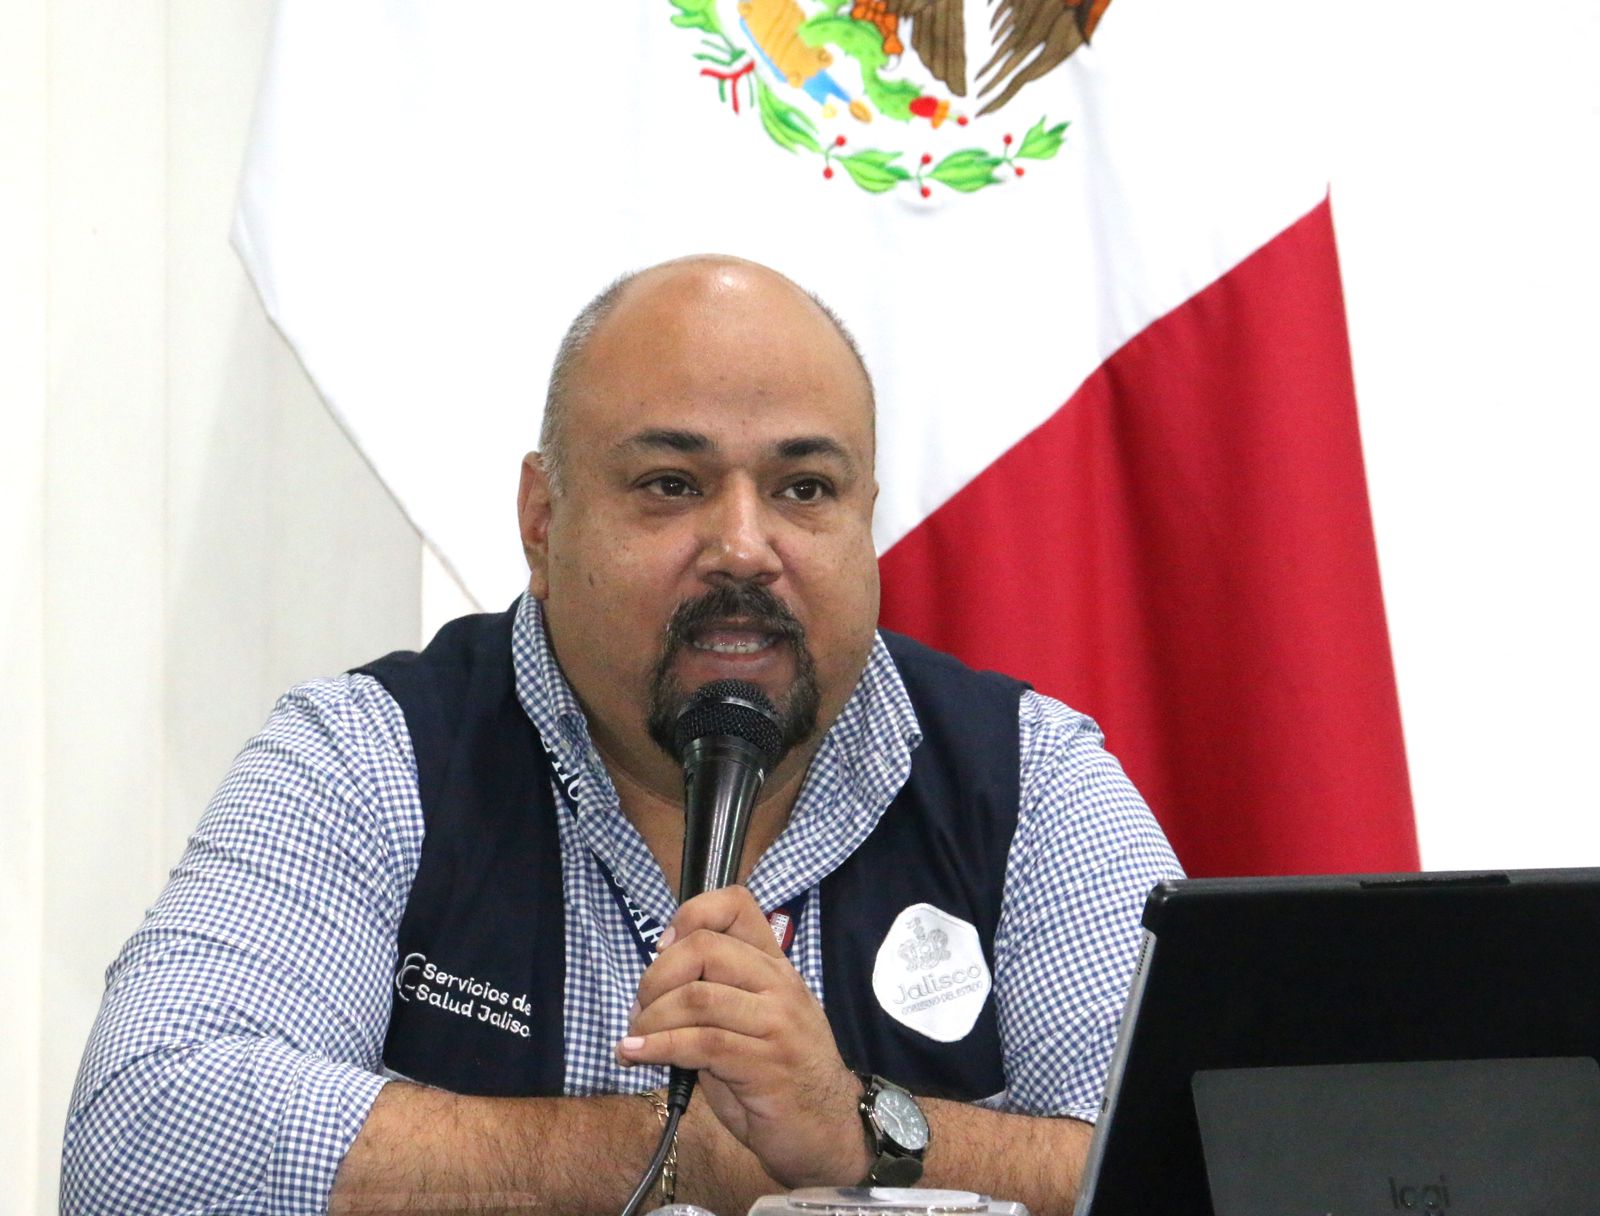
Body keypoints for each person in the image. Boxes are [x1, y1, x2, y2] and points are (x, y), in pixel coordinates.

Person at [63, 256, 1181, 1215]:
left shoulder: (1028, 779)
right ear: (542, 524)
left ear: (865, 518)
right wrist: (674, 1153)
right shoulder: (369, 755)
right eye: (671, 484)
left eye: (803, 487)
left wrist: (856, 1140)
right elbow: (144, 1140)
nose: (743, 546)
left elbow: (1212, 1161)